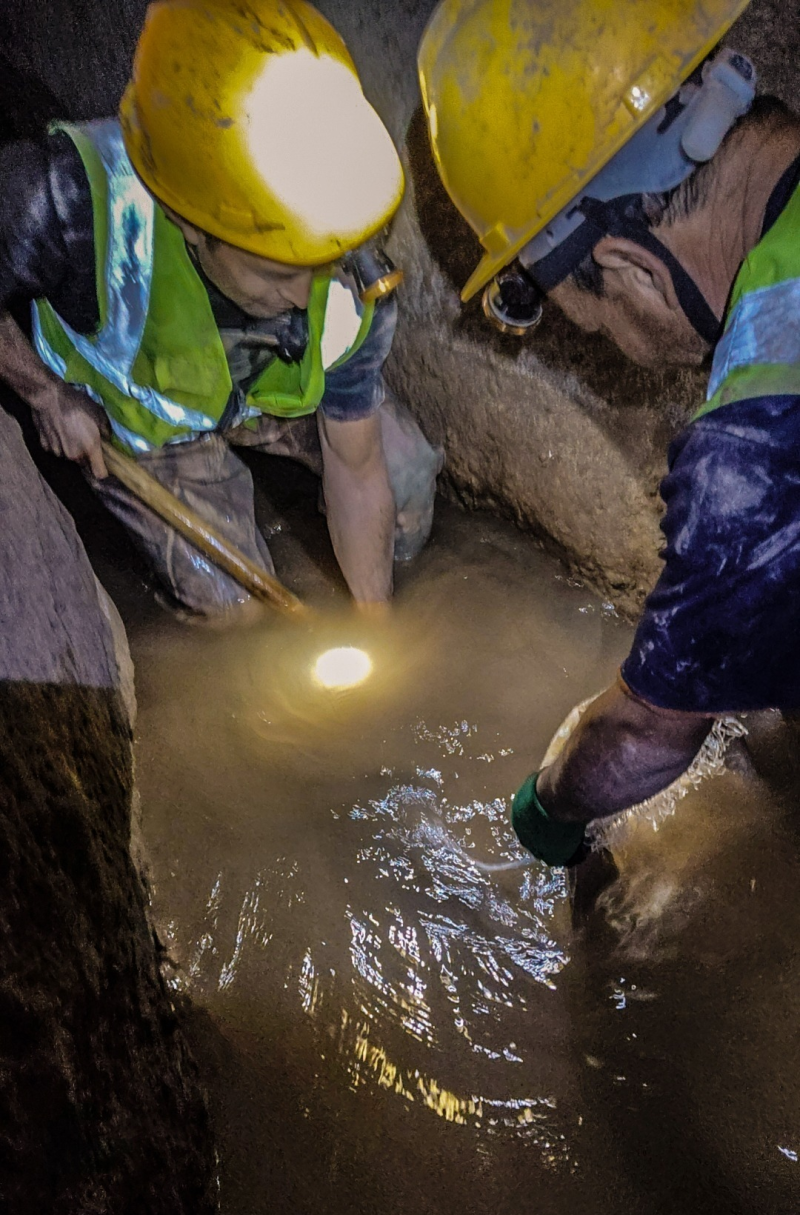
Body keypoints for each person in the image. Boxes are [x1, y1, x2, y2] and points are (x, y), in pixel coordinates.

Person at [418, 0, 800, 864]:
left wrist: (548, 807)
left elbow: (645, 736)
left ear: (628, 268)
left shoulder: (753, 447)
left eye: (592, 324)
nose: (620, 348)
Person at [0, 0, 442, 624]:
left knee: (405, 494)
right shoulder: (72, 201)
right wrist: (45, 397)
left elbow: (357, 462)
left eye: (321, 264)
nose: (305, 295)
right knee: (237, 610)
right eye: (278, 270)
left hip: (261, 398)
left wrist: (376, 631)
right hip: (141, 425)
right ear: (188, 220)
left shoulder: (348, 259)